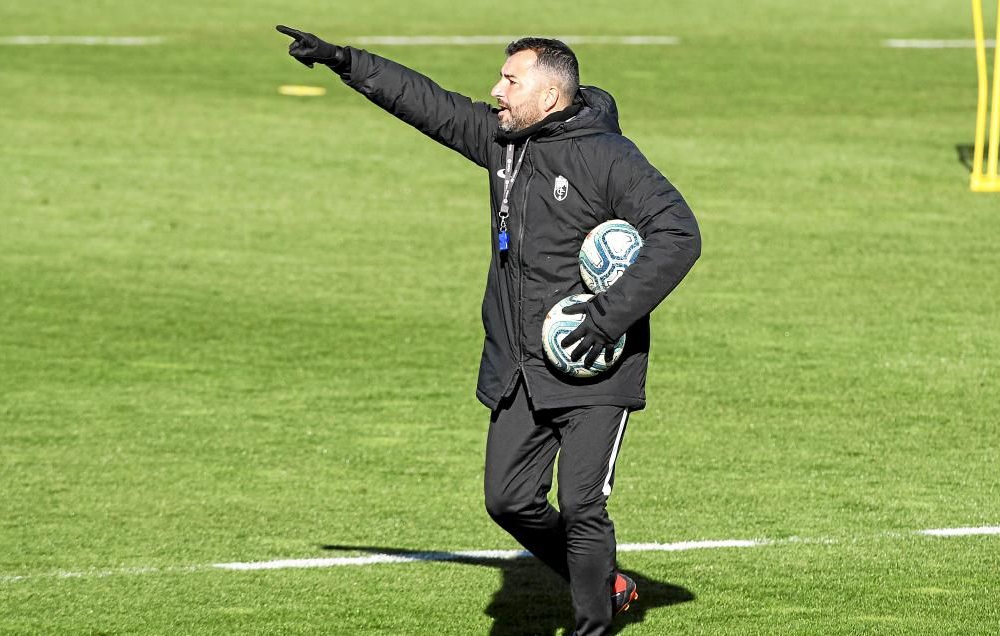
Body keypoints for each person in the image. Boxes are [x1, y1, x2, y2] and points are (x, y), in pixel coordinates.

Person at [275, 25, 701, 636]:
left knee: (582, 505)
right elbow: (428, 104)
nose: (496, 90)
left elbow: (679, 234)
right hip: (521, 365)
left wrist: (606, 319)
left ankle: (593, 624)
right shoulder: (504, 143)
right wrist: (346, 61)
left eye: (510, 81)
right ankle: (605, 582)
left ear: (549, 97)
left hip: (593, 367)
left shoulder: (608, 157)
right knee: (508, 500)